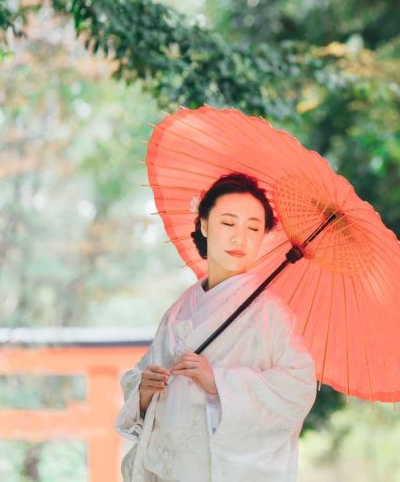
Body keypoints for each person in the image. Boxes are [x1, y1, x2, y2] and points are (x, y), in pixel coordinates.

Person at [115, 172, 317, 481]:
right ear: (204, 225)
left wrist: (219, 382)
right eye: (228, 223)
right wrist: (144, 389)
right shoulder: (180, 306)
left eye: (253, 227)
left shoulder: (270, 313)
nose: (241, 237)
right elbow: (142, 376)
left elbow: (297, 391)